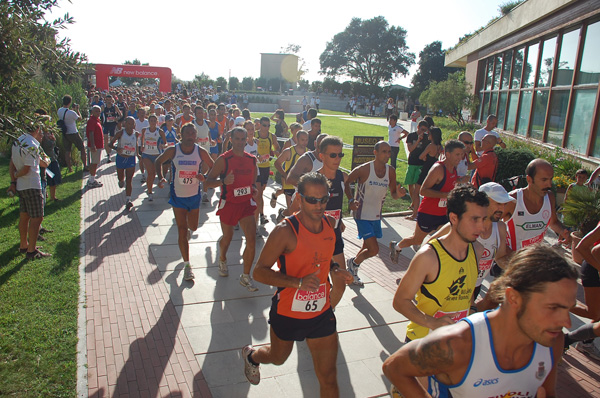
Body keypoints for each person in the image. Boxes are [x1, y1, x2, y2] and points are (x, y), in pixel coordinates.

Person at [383, 244, 578, 398]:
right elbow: (394, 367)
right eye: (553, 308)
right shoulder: (458, 343)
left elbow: (547, 392)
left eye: (568, 308)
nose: (566, 322)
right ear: (514, 298)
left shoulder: (553, 341)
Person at [242, 172, 353, 394]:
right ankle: (251, 356)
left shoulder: (330, 224)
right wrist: (298, 282)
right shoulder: (285, 231)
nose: (319, 205)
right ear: (300, 199)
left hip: (321, 312)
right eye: (312, 199)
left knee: (329, 377)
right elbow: (259, 272)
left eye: (324, 199)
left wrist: (335, 269)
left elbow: (321, 256)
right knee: (278, 357)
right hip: (288, 313)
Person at [427, 182, 514, 311]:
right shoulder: (462, 225)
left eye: (504, 204)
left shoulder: (500, 227)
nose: (502, 209)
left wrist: (518, 271)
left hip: (475, 286)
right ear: (484, 202)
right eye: (498, 203)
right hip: (452, 287)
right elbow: (429, 247)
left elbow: (500, 257)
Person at [155, 123, 214, 281]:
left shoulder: (200, 151)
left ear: (196, 136)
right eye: (187, 133)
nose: (190, 136)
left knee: (192, 226)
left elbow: (213, 166)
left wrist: (204, 176)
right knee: (181, 229)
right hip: (178, 197)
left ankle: (188, 232)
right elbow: (158, 161)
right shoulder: (173, 150)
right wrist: (161, 177)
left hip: (194, 196)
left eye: (193, 133)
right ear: (181, 135)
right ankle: (188, 265)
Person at [390, 140, 466, 260]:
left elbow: (449, 185)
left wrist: (460, 184)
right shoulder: (438, 169)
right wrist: (446, 195)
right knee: (417, 239)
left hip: (443, 214)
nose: (460, 158)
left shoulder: (454, 169)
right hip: (428, 213)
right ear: (448, 154)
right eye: (457, 154)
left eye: (462, 155)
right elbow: (423, 191)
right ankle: (397, 247)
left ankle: (433, 264)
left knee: (446, 239)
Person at [205, 127, 259, 292]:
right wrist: (223, 181)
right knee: (227, 237)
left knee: (251, 239)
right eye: (237, 139)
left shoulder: (251, 160)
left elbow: (253, 181)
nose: (241, 142)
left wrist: (253, 189)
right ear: (231, 139)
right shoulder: (224, 159)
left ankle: (245, 276)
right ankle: (222, 259)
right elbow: (207, 182)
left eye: (243, 139)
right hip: (228, 203)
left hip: (245, 205)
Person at [345, 141, 406, 286]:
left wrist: (400, 194)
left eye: (389, 152)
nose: (387, 155)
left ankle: (352, 265)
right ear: (375, 152)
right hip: (362, 215)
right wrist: (350, 200)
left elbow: (393, 194)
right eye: (384, 151)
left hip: (376, 216)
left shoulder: (390, 171)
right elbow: (346, 181)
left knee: (367, 246)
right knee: (374, 249)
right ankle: (353, 265)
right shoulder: (364, 169)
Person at [503, 158, 571, 251]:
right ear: (529, 179)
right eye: (544, 180)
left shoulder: (549, 197)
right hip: (511, 261)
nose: (549, 185)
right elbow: (490, 225)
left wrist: (564, 232)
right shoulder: (513, 199)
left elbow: (553, 222)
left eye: (550, 179)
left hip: (533, 259)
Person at [10, 115, 52, 259]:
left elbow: (13, 163)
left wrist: (14, 179)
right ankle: (31, 250)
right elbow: (27, 168)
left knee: (24, 216)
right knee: (37, 218)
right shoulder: (32, 145)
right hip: (32, 185)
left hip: (22, 187)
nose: (41, 134)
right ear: (35, 129)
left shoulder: (18, 141)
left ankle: (24, 244)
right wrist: (16, 175)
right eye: (40, 131)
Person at [565, 223, 600, 360]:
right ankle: (554, 302)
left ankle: (585, 343)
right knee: (593, 313)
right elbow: (586, 249)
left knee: (597, 314)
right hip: (593, 269)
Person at [273, 130, 308, 211]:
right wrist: (285, 175)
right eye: (302, 140)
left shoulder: (308, 152)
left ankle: (282, 213)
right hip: (289, 183)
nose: (305, 142)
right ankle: (283, 213)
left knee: (300, 209)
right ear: (297, 139)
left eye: (306, 140)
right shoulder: (289, 151)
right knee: (291, 209)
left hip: (301, 184)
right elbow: (277, 163)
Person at [255, 116, 280, 230]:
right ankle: (260, 215)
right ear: (260, 125)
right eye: (264, 125)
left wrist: (274, 153)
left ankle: (258, 213)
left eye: (269, 125)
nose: (267, 127)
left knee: (260, 192)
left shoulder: (271, 136)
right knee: (258, 193)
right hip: (255, 167)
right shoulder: (254, 135)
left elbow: (277, 147)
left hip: (265, 167)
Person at [109, 116, 138, 211]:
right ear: (125, 124)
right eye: (128, 123)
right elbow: (110, 144)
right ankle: (121, 180)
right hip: (121, 158)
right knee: (121, 180)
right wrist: (117, 149)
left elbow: (136, 145)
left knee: (129, 180)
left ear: (134, 125)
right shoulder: (120, 133)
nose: (130, 126)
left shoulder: (136, 134)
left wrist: (138, 155)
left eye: (132, 124)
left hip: (130, 159)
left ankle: (128, 200)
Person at [404, 121, 430, 220]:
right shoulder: (411, 136)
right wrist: (418, 140)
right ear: (418, 127)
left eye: (425, 130)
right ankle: (414, 202)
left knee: (417, 185)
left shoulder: (427, 138)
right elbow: (410, 149)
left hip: (421, 164)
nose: (423, 132)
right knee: (410, 184)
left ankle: (415, 204)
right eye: (422, 129)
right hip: (412, 162)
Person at [140, 114, 167, 201]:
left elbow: (165, 142)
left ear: (157, 122)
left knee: (154, 173)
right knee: (150, 173)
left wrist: (163, 145)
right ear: (149, 122)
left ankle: (151, 188)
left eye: (154, 121)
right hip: (146, 154)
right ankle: (150, 192)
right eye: (151, 121)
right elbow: (142, 139)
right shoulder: (145, 130)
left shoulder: (160, 131)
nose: (152, 123)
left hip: (156, 155)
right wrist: (143, 145)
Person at [58, 95, 86, 173]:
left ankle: (70, 168)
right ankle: (85, 165)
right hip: (73, 132)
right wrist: (77, 110)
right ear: (70, 102)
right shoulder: (72, 113)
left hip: (65, 133)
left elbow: (66, 114)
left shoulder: (59, 110)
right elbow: (80, 118)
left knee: (67, 151)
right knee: (82, 149)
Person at [86, 105, 104, 188]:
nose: (98, 113)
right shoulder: (91, 121)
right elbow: (91, 133)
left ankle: (91, 178)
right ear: (92, 112)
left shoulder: (97, 120)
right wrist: (93, 145)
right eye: (96, 111)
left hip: (98, 145)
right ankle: (91, 180)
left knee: (96, 162)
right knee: (94, 163)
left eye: (99, 111)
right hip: (95, 145)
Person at [101, 94, 122, 163]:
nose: (108, 101)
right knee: (105, 138)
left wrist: (117, 118)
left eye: (110, 100)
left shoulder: (114, 106)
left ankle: (110, 152)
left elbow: (120, 114)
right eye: (107, 100)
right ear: (105, 100)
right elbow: (100, 114)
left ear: (112, 100)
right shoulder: (103, 107)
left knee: (111, 139)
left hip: (112, 124)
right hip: (106, 124)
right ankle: (108, 154)